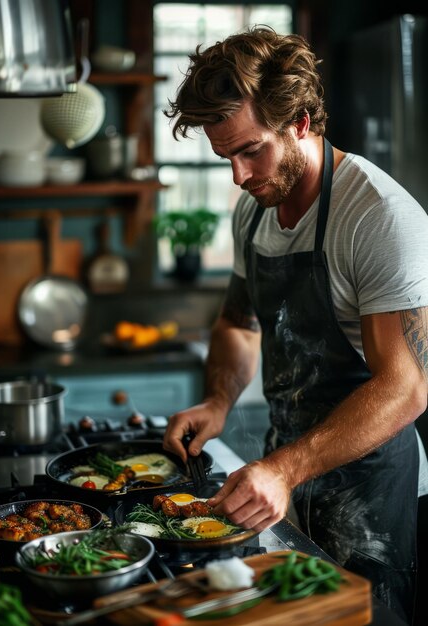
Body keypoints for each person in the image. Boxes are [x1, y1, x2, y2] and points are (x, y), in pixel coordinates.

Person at [161, 26, 428, 624]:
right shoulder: (252, 212)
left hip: (372, 498)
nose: (237, 175)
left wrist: (284, 468)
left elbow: (407, 386)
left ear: (302, 120)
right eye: (225, 156)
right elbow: (237, 322)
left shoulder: (378, 217)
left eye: (251, 150)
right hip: (284, 480)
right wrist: (216, 403)